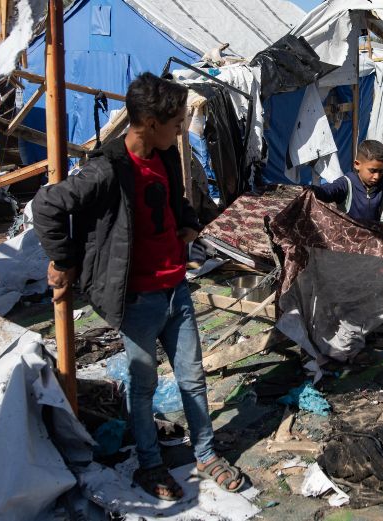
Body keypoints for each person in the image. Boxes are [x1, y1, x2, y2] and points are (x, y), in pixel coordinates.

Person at [32, 72, 246, 501]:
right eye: (176, 122)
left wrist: (187, 224)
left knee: (193, 379)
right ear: (149, 122)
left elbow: (177, 202)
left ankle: (206, 453)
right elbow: (47, 205)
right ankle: (150, 465)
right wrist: (64, 260)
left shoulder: (165, 156)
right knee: (142, 385)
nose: (183, 129)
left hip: (176, 290)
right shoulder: (107, 169)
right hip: (138, 299)